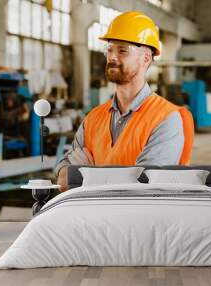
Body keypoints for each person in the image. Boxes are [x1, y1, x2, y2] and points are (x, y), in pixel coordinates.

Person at [55, 11, 194, 192]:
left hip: (142, 220)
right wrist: (108, 177)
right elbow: (62, 179)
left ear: (146, 58)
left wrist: (88, 174)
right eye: (110, 50)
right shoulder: (93, 118)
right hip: (94, 217)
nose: (112, 57)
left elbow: (145, 187)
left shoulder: (167, 119)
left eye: (122, 51)